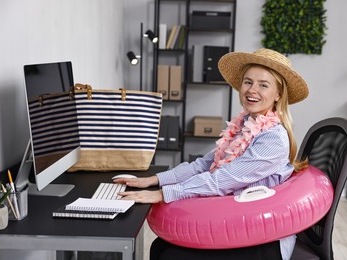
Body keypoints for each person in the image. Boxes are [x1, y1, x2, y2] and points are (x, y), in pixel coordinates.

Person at [115, 48, 309, 260]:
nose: (252, 90)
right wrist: (154, 180)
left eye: (263, 85)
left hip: (264, 239)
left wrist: (163, 194)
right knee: (160, 247)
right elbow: (204, 165)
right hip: (236, 222)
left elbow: (222, 180)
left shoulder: (273, 139)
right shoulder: (244, 125)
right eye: (248, 82)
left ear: (278, 94)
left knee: (171, 256)